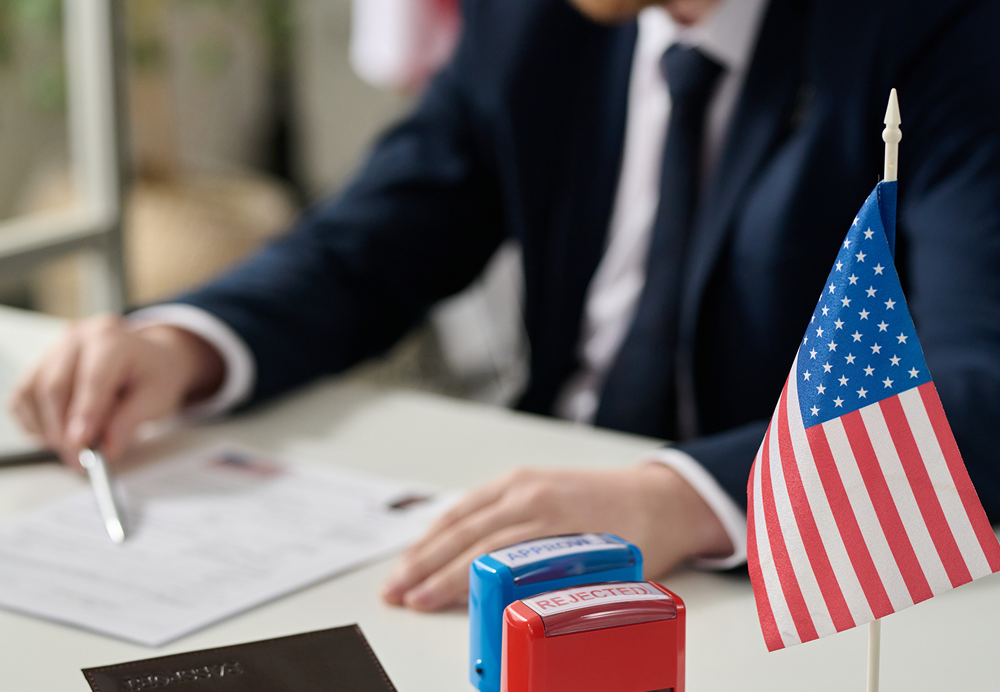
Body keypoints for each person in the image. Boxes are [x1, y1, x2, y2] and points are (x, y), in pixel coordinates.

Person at [10, 0, 1000, 612]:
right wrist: (184, 343)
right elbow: (376, 236)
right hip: (522, 530)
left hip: (777, 577)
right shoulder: (539, 17)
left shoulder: (942, 28)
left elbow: (979, 380)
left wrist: (679, 497)